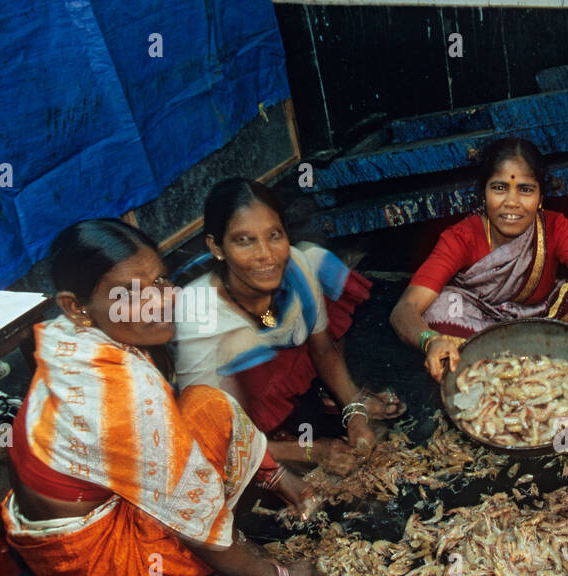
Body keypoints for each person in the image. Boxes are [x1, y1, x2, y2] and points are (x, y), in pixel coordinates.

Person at [2, 220, 324, 576]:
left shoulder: (70, 338)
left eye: (161, 281)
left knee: (204, 404)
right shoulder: (125, 394)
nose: (161, 302)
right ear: (75, 306)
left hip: (70, 561)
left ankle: (274, 476)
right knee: (200, 503)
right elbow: (202, 530)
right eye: (131, 294)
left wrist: (272, 471)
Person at [173, 179, 403, 475]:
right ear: (216, 246)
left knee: (317, 260)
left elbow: (323, 350)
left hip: (275, 363)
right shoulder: (197, 313)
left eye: (274, 235)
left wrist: (353, 410)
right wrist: (311, 449)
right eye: (244, 240)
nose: (266, 255)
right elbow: (207, 435)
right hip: (228, 415)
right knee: (240, 346)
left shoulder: (295, 266)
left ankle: (326, 395)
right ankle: (272, 443)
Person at [390, 138, 568, 380]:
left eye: (525, 189)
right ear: (484, 194)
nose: (511, 202)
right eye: (499, 188)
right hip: (475, 323)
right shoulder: (461, 237)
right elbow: (404, 310)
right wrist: (430, 341)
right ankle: (544, 358)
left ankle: (501, 364)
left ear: (541, 198)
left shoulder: (556, 228)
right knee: (437, 311)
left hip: (539, 316)